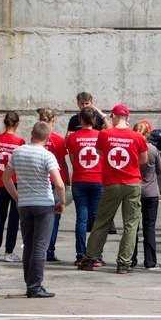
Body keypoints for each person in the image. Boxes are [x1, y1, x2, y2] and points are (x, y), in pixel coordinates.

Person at [78, 105, 148, 274]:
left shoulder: (104, 134)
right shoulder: (137, 136)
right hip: (132, 183)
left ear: (113, 116)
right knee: (131, 224)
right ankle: (123, 263)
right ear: (127, 118)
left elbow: (99, 152)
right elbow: (143, 160)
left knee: (102, 221)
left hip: (111, 183)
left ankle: (89, 258)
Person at [2, 121, 66, 298]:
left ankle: (30, 284)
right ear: (48, 137)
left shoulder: (18, 152)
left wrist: (17, 197)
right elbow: (59, 184)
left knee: (28, 245)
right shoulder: (47, 155)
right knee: (40, 246)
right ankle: (35, 286)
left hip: (25, 204)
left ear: (31, 134)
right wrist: (62, 202)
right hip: (44, 205)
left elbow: (6, 178)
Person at [67, 107, 105, 266]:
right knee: (97, 220)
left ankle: (80, 255)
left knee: (81, 220)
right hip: (98, 180)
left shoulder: (72, 137)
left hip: (79, 180)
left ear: (80, 120)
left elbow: (72, 159)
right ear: (94, 120)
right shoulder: (101, 136)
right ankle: (96, 256)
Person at [0, 111, 24, 261]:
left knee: (0, 217)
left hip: (0, 183)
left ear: (4, 123)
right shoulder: (20, 142)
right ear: (17, 124)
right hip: (14, 182)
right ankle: (9, 252)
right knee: (14, 219)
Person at [38, 108, 71, 262]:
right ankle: (49, 251)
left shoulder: (35, 139)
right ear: (53, 121)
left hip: (40, 182)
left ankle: (39, 250)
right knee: (54, 218)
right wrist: (68, 181)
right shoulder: (58, 140)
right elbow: (63, 163)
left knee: (40, 218)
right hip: (55, 181)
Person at [131, 121, 161, 269]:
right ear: (147, 135)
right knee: (149, 227)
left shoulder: (131, 149)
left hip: (134, 191)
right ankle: (150, 262)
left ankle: (130, 260)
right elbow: (160, 169)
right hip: (151, 192)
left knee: (132, 227)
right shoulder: (153, 149)